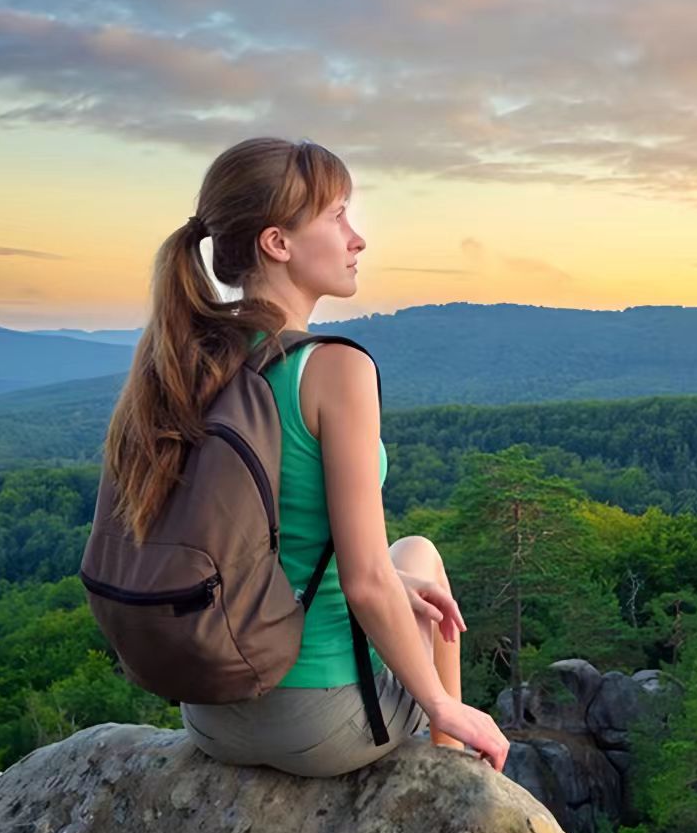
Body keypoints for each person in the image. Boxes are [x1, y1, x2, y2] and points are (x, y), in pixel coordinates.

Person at [102, 135, 509, 777]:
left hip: (210, 710)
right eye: (337, 215)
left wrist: (393, 584)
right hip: (317, 722)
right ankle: (450, 775)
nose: (357, 238)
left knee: (406, 576)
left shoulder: (187, 358)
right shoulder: (333, 369)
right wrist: (440, 703)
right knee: (418, 554)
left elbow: (254, 542)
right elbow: (365, 582)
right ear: (278, 243)